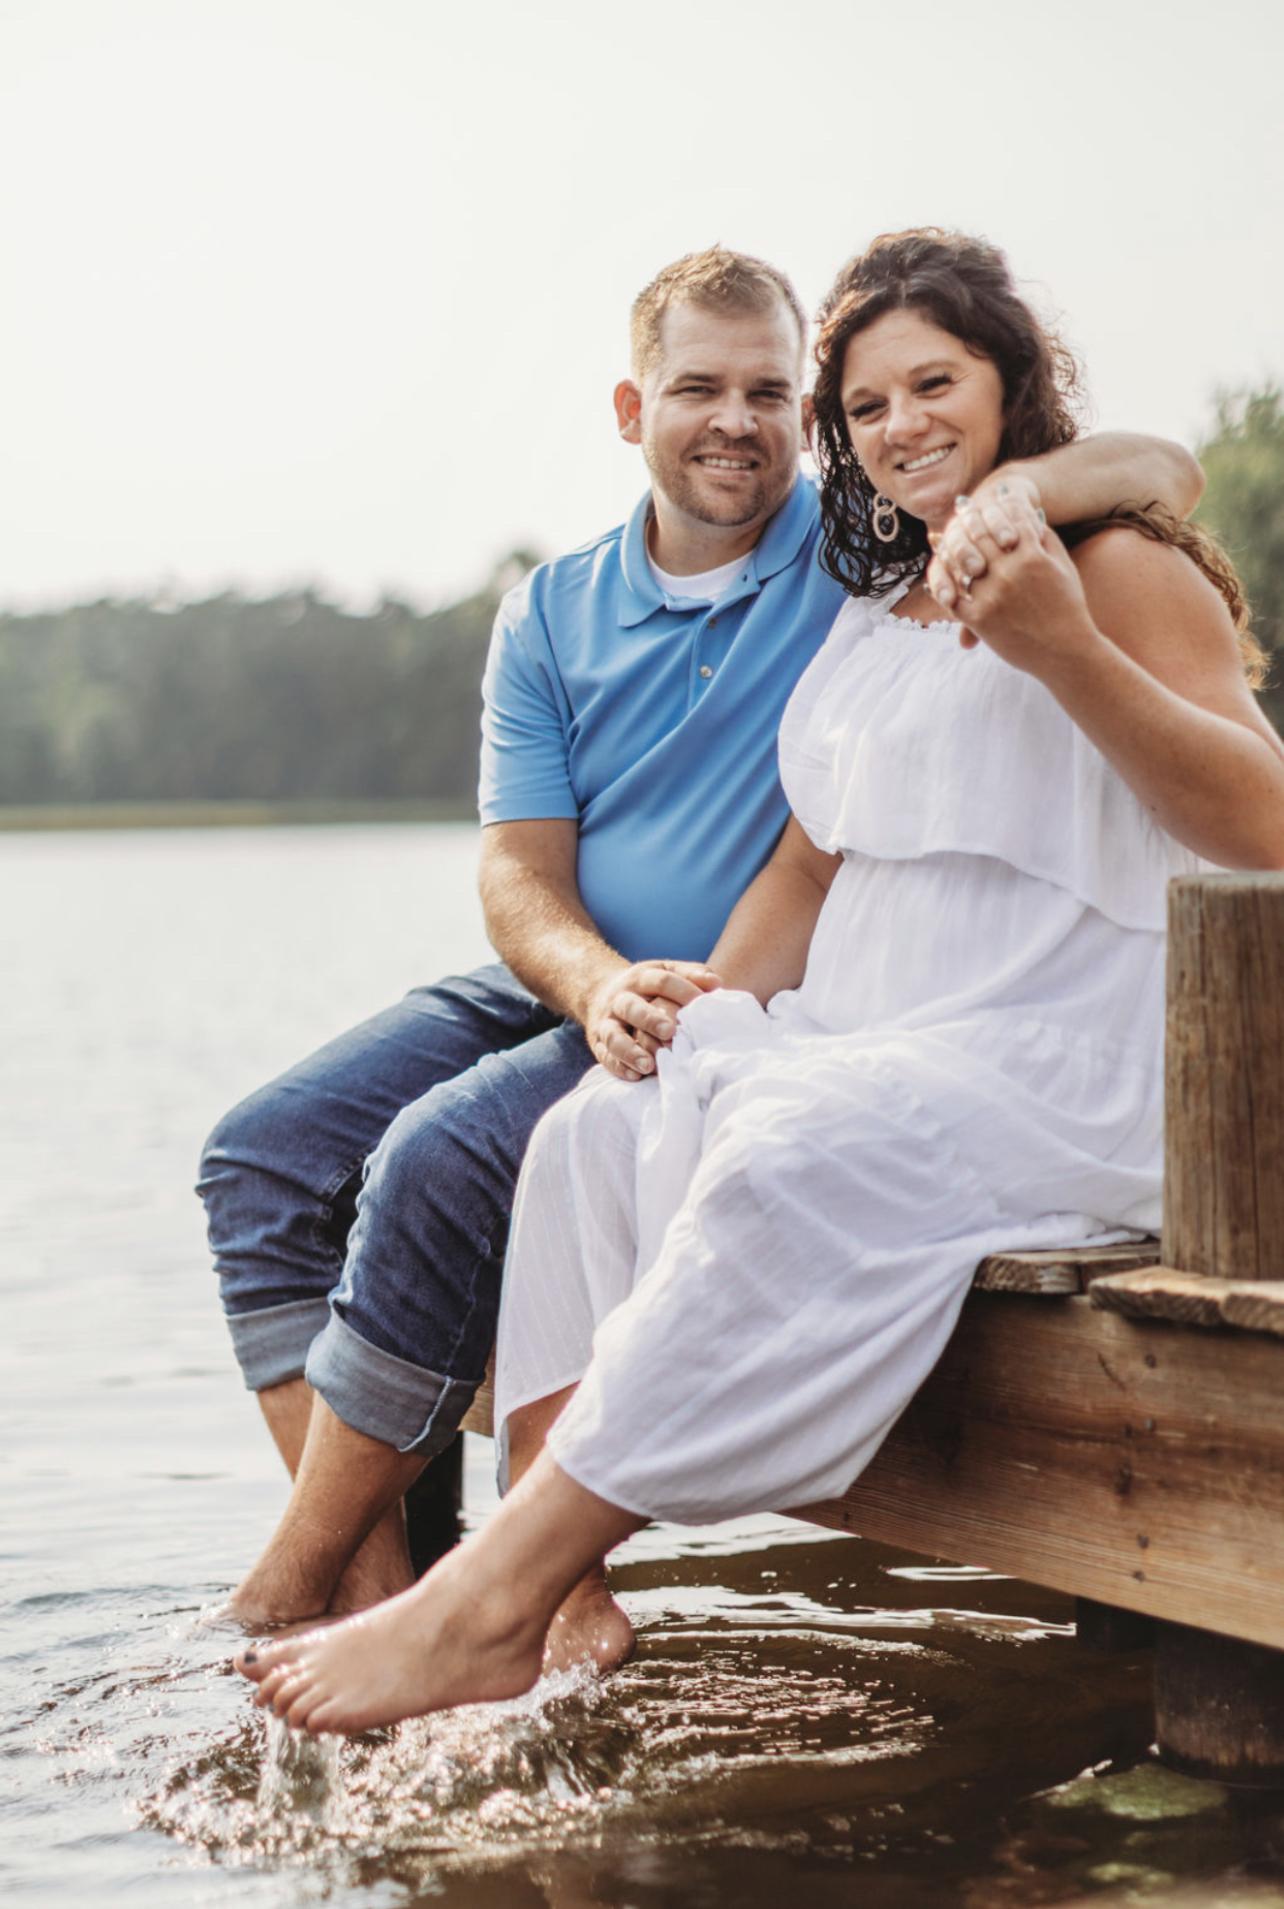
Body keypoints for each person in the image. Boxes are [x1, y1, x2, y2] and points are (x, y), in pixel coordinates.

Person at [235, 227, 1284, 1734]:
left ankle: (482, 1601)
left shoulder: (1112, 567)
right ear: (837, 435)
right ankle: (559, 1593)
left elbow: (1262, 821)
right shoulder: (876, 611)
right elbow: (806, 871)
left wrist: (1060, 641)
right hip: (890, 1036)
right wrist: (698, 1018)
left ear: (1011, 389)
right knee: (601, 1126)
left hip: (1058, 1058)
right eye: (869, 407)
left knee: (792, 1151)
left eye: (938, 383)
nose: (903, 423)